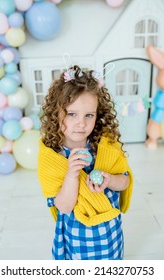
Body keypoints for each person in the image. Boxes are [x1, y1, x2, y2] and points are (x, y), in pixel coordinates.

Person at [38, 65, 134, 260]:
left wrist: (109, 180)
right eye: (72, 114)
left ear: (97, 114)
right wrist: (72, 174)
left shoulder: (106, 145)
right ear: (56, 113)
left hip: (110, 233)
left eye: (89, 115)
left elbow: (125, 182)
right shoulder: (52, 157)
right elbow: (63, 207)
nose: (81, 122)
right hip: (77, 239)